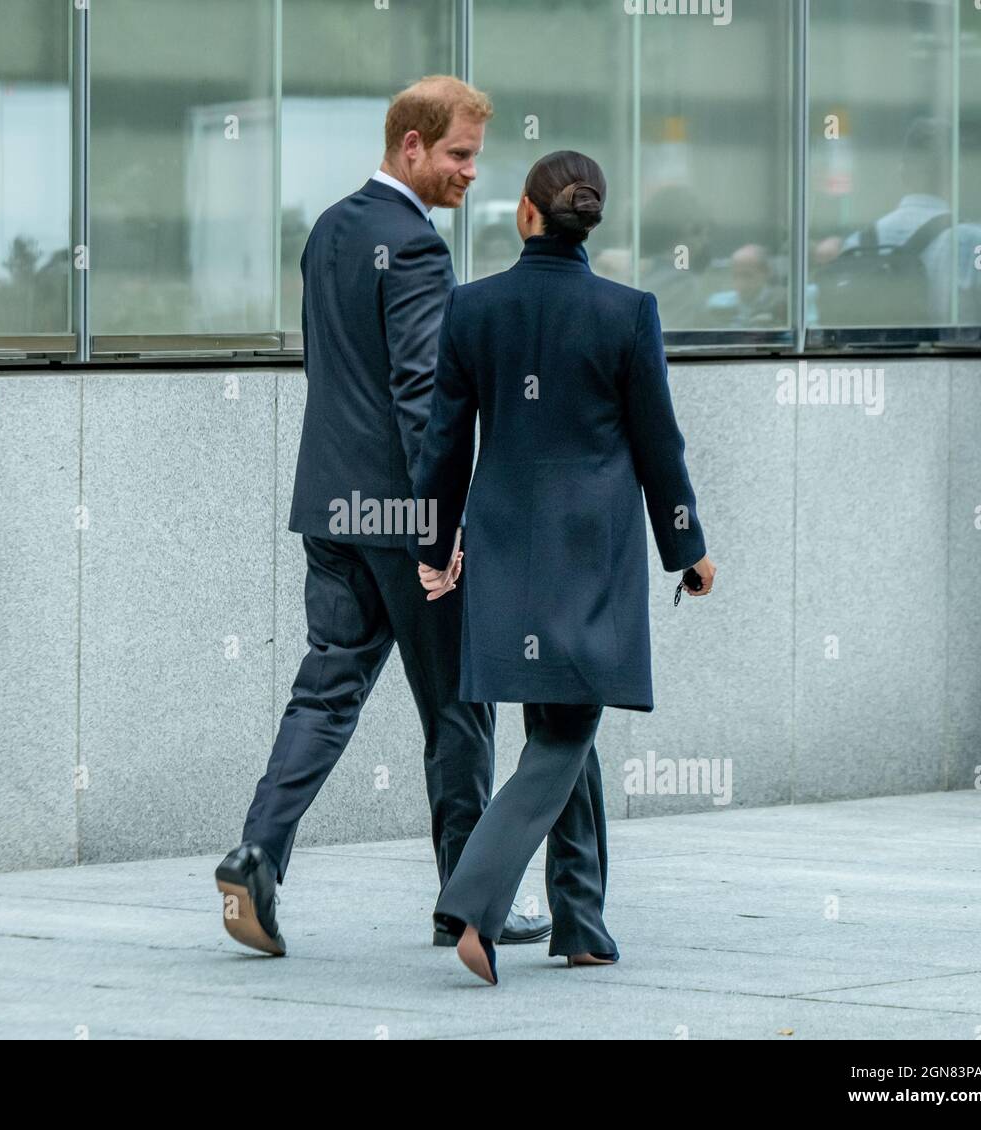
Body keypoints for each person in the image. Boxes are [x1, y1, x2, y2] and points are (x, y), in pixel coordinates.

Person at [215, 76, 553, 957]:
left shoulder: (330, 229)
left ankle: (256, 851)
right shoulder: (413, 248)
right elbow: (419, 398)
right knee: (458, 710)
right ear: (412, 146)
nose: (472, 173)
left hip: (331, 505)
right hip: (402, 519)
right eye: (459, 154)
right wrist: (441, 533)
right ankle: (467, 903)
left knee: (326, 690)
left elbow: (330, 371)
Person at [410, 149, 716, 985]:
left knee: (557, 724)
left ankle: (581, 922)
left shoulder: (474, 308)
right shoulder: (628, 312)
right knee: (571, 728)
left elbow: (444, 443)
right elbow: (660, 445)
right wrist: (686, 548)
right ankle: (476, 900)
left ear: (526, 213)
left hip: (505, 542)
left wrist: (434, 548)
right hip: (594, 553)